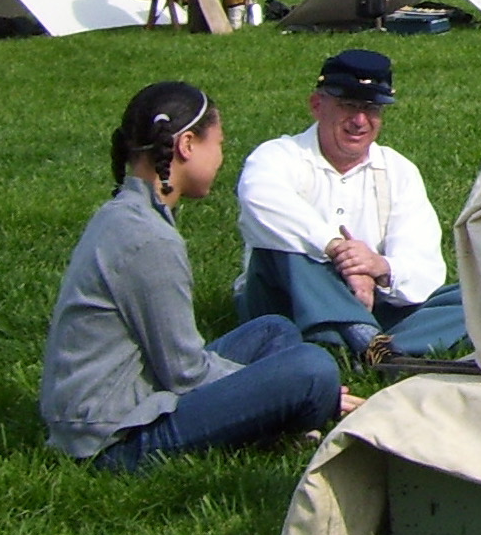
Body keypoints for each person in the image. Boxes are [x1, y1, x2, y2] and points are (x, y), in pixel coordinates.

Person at [39, 81, 353, 472]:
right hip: (112, 437)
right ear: (187, 145)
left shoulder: (122, 213)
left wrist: (266, 385)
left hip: (117, 403)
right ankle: (285, 416)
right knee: (312, 369)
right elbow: (185, 373)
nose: (222, 157)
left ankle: (276, 421)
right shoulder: (148, 239)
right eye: (218, 143)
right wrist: (280, 386)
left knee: (274, 331)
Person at [236, 50, 468, 359]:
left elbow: (424, 267)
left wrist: (379, 268)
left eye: (371, 109)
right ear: (317, 105)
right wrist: (336, 250)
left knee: (476, 297)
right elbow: (260, 201)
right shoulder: (277, 156)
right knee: (281, 246)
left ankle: (368, 347)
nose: (359, 121)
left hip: (374, 303)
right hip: (290, 302)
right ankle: (371, 342)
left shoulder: (399, 172)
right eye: (348, 106)